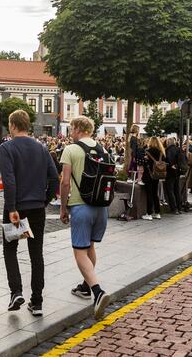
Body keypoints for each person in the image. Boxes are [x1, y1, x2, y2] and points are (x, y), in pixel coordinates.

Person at [0, 110, 59, 315]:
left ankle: (16, 292)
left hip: (16, 207)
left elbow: (9, 179)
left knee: (10, 250)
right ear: (28, 125)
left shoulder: (6, 148)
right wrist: (45, 200)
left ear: (12, 126)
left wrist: (13, 208)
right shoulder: (41, 148)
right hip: (37, 208)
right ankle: (37, 301)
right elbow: (54, 178)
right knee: (36, 253)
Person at [58, 116, 114, 320]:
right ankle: (85, 286)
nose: (70, 132)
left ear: (78, 129)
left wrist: (63, 207)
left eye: (71, 128)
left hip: (81, 206)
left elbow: (65, 182)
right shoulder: (103, 149)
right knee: (90, 246)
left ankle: (97, 292)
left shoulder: (71, 150)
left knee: (79, 252)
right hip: (101, 207)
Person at [142, 136, 166, 220]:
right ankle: (157, 212)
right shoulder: (161, 152)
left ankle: (149, 213)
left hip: (148, 175)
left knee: (149, 194)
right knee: (155, 193)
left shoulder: (147, 151)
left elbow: (144, 164)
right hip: (157, 175)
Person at [164, 137, 184, 214]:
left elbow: (167, 160)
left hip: (170, 172)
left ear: (168, 143)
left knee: (170, 190)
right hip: (178, 172)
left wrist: (171, 165)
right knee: (177, 190)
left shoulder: (168, 150)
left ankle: (174, 208)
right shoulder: (179, 149)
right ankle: (179, 208)